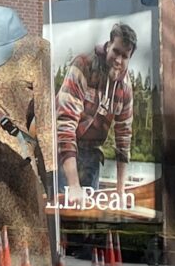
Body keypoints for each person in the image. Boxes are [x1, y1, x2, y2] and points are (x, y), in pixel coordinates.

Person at [56, 22, 138, 195]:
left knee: (91, 210)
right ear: (108, 46)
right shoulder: (83, 65)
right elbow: (65, 125)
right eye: (116, 51)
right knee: (66, 202)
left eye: (124, 56)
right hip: (62, 152)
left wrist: (120, 192)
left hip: (92, 154)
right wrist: (74, 186)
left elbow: (123, 138)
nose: (118, 60)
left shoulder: (125, 88)